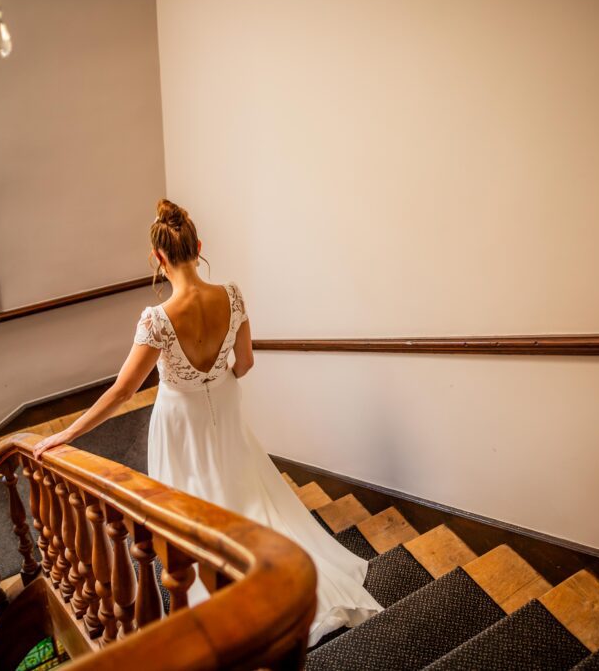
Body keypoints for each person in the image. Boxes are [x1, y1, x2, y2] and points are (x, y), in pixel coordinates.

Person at [34, 199, 380, 645]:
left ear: (157, 258)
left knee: (193, 501)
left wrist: (65, 433)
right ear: (199, 246)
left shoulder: (156, 320)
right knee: (244, 489)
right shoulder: (232, 295)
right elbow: (247, 363)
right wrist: (219, 382)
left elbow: (122, 391)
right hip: (226, 405)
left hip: (180, 420)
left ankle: (219, 575)